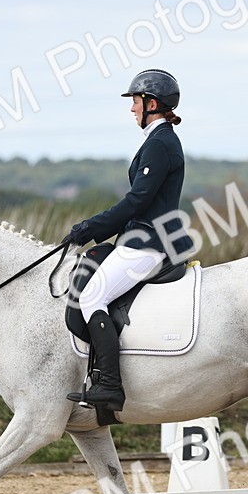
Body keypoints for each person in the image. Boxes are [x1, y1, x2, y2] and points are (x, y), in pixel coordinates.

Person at [62, 68, 193, 411]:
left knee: (91, 297)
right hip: (139, 239)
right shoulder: (157, 140)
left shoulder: (161, 143)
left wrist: (90, 227)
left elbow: (138, 201)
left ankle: (110, 385)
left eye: (135, 101)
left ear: (151, 103)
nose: (132, 108)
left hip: (147, 244)